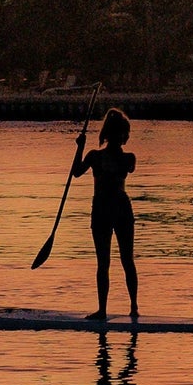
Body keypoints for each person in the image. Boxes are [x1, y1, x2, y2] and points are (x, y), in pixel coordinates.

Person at [74, 108, 139, 323]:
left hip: (116, 209)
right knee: (106, 263)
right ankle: (104, 310)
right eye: (124, 133)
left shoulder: (127, 158)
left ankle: (133, 308)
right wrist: (80, 148)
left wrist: (84, 149)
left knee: (124, 260)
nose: (126, 137)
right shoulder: (95, 156)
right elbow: (76, 172)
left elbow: (121, 167)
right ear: (119, 135)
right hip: (105, 210)